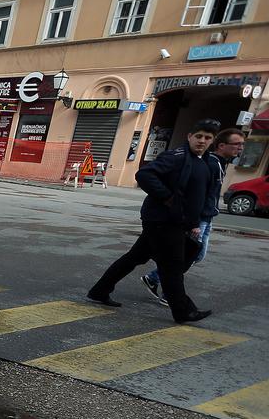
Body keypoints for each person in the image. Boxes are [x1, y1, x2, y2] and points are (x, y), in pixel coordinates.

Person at [86, 118, 222, 323]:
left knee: (134, 258)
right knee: (172, 267)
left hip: (173, 221)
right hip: (163, 221)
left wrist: (193, 223)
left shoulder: (203, 161)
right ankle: (184, 311)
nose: (202, 141)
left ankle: (99, 291)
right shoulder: (176, 157)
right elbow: (145, 175)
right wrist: (168, 199)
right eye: (199, 136)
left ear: (212, 141)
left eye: (207, 138)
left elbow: (196, 196)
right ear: (189, 137)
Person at [141, 127, 245, 305]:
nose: (240, 148)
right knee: (185, 255)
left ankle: (156, 279)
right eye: (237, 144)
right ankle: (168, 291)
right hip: (194, 217)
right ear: (221, 145)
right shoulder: (209, 162)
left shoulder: (218, 163)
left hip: (204, 217)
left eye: (242, 145)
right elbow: (195, 193)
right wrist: (192, 220)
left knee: (189, 255)